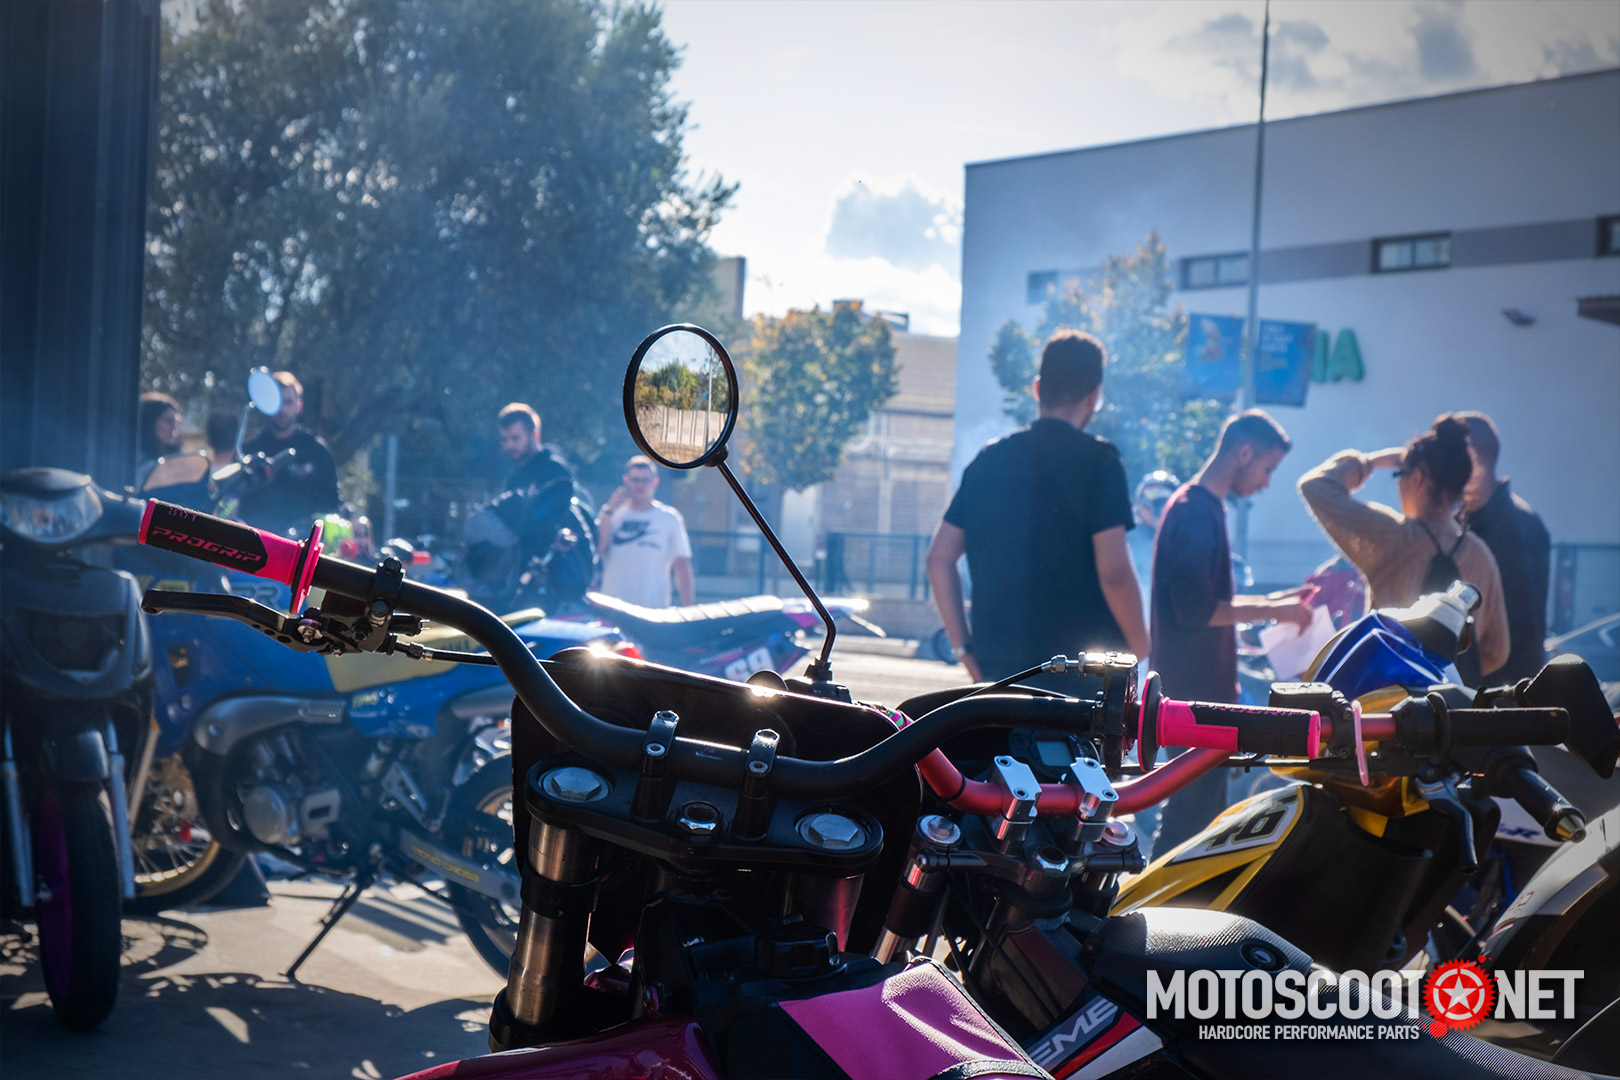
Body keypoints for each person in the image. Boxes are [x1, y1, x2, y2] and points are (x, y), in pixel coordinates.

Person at [927, 329, 1149, 684]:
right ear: (1093, 397)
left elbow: (939, 558)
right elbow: (1115, 573)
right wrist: (1140, 646)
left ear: (1037, 388)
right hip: (1080, 671)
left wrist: (963, 648)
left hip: (998, 669)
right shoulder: (1100, 463)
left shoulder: (988, 460)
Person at [1149, 410, 1313, 856]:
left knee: (1197, 825)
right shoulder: (1195, 511)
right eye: (1268, 468)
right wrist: (1274, 608)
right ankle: (1144, 900)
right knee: (1187, 826)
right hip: (1193, 703)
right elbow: (1194, 610)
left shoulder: (1202, 507)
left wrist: (1277, 602)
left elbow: (1204, 606)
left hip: (1199, 698)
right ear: (1244, 453)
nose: (1266, 483)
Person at [1298, 415, 1509, 679]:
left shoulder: (1391, 536)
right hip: (1451, 697)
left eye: (1399, 474)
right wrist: (1445, 671)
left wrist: (1369, 462)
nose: (1398, 484)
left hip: (1385, 690)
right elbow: (1497, 649)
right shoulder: (1481, 555)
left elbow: (1316, 486)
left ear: (1417, 478)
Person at [1454, 411, 1551, 684]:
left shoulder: (1519, 527)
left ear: (1476, 461)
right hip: (1473, 684)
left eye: (1451, 458)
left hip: (1504, 690)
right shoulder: (1462, 520)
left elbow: (1523, 631)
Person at [239, 371, 340, 536]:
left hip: (303, 544)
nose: (282, 409)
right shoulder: (249, 452)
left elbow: (332, 503)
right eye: (277, 401)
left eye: (288, 402)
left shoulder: (317, 451)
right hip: (255, 541)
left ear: (299, 406)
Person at [595, 456, 695, 608]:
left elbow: (681, 565)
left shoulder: (669, 518)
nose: (640, 485)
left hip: (652, 610)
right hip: (613, 608)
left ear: (654, 482)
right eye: (635, 480)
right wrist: (608, 511)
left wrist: (689, 609)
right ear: (626, 480)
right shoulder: (610, 514)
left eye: (645, 480)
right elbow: (599, 551)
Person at [135, 392, 184, 487]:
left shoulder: (171, 460)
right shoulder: (141, 464)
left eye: (176, 422)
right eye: (168, 421)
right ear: (150, 422)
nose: (174, 427)